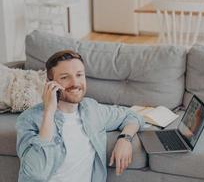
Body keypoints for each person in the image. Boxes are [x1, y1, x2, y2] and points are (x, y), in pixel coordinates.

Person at [16, 50, 145, 182]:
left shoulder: (92, 110)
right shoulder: (29, 119)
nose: (75, 83)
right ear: (50, 83)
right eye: (65, 77)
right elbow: (35, 174)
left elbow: (132, 116)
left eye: (79, 75)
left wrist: (125, 139)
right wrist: (49, 112)